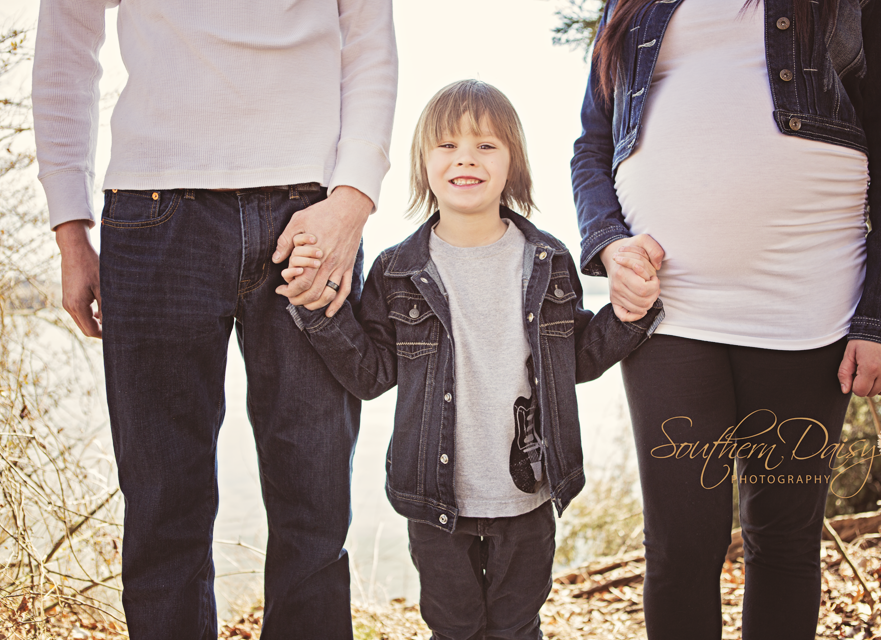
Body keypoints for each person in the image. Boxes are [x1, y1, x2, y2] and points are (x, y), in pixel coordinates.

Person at [32, 1, 398, 637]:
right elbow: (66, 39)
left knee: (315, 506)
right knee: (162, 506)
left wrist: (352, 203)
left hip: (311, 216)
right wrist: (70, 228)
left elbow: (370, 38)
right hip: (153, 213)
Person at [571, 0, 881, 639]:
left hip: (808, 304)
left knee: (784, 542)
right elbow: (593, 146)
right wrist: (608, 244)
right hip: (667, 311)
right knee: (678, 548)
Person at [284, 79, 663, 639]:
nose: (466, 158)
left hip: (529, 496)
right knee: (454, 627)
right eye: (448, 145)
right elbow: (371, 374)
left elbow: (576, 357)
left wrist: (629, 315)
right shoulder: (395, 270)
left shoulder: (548, 259)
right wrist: (317, 309)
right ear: (424, 163)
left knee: (517, 627)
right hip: (436, 501)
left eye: (486, 145)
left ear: (513, 163)